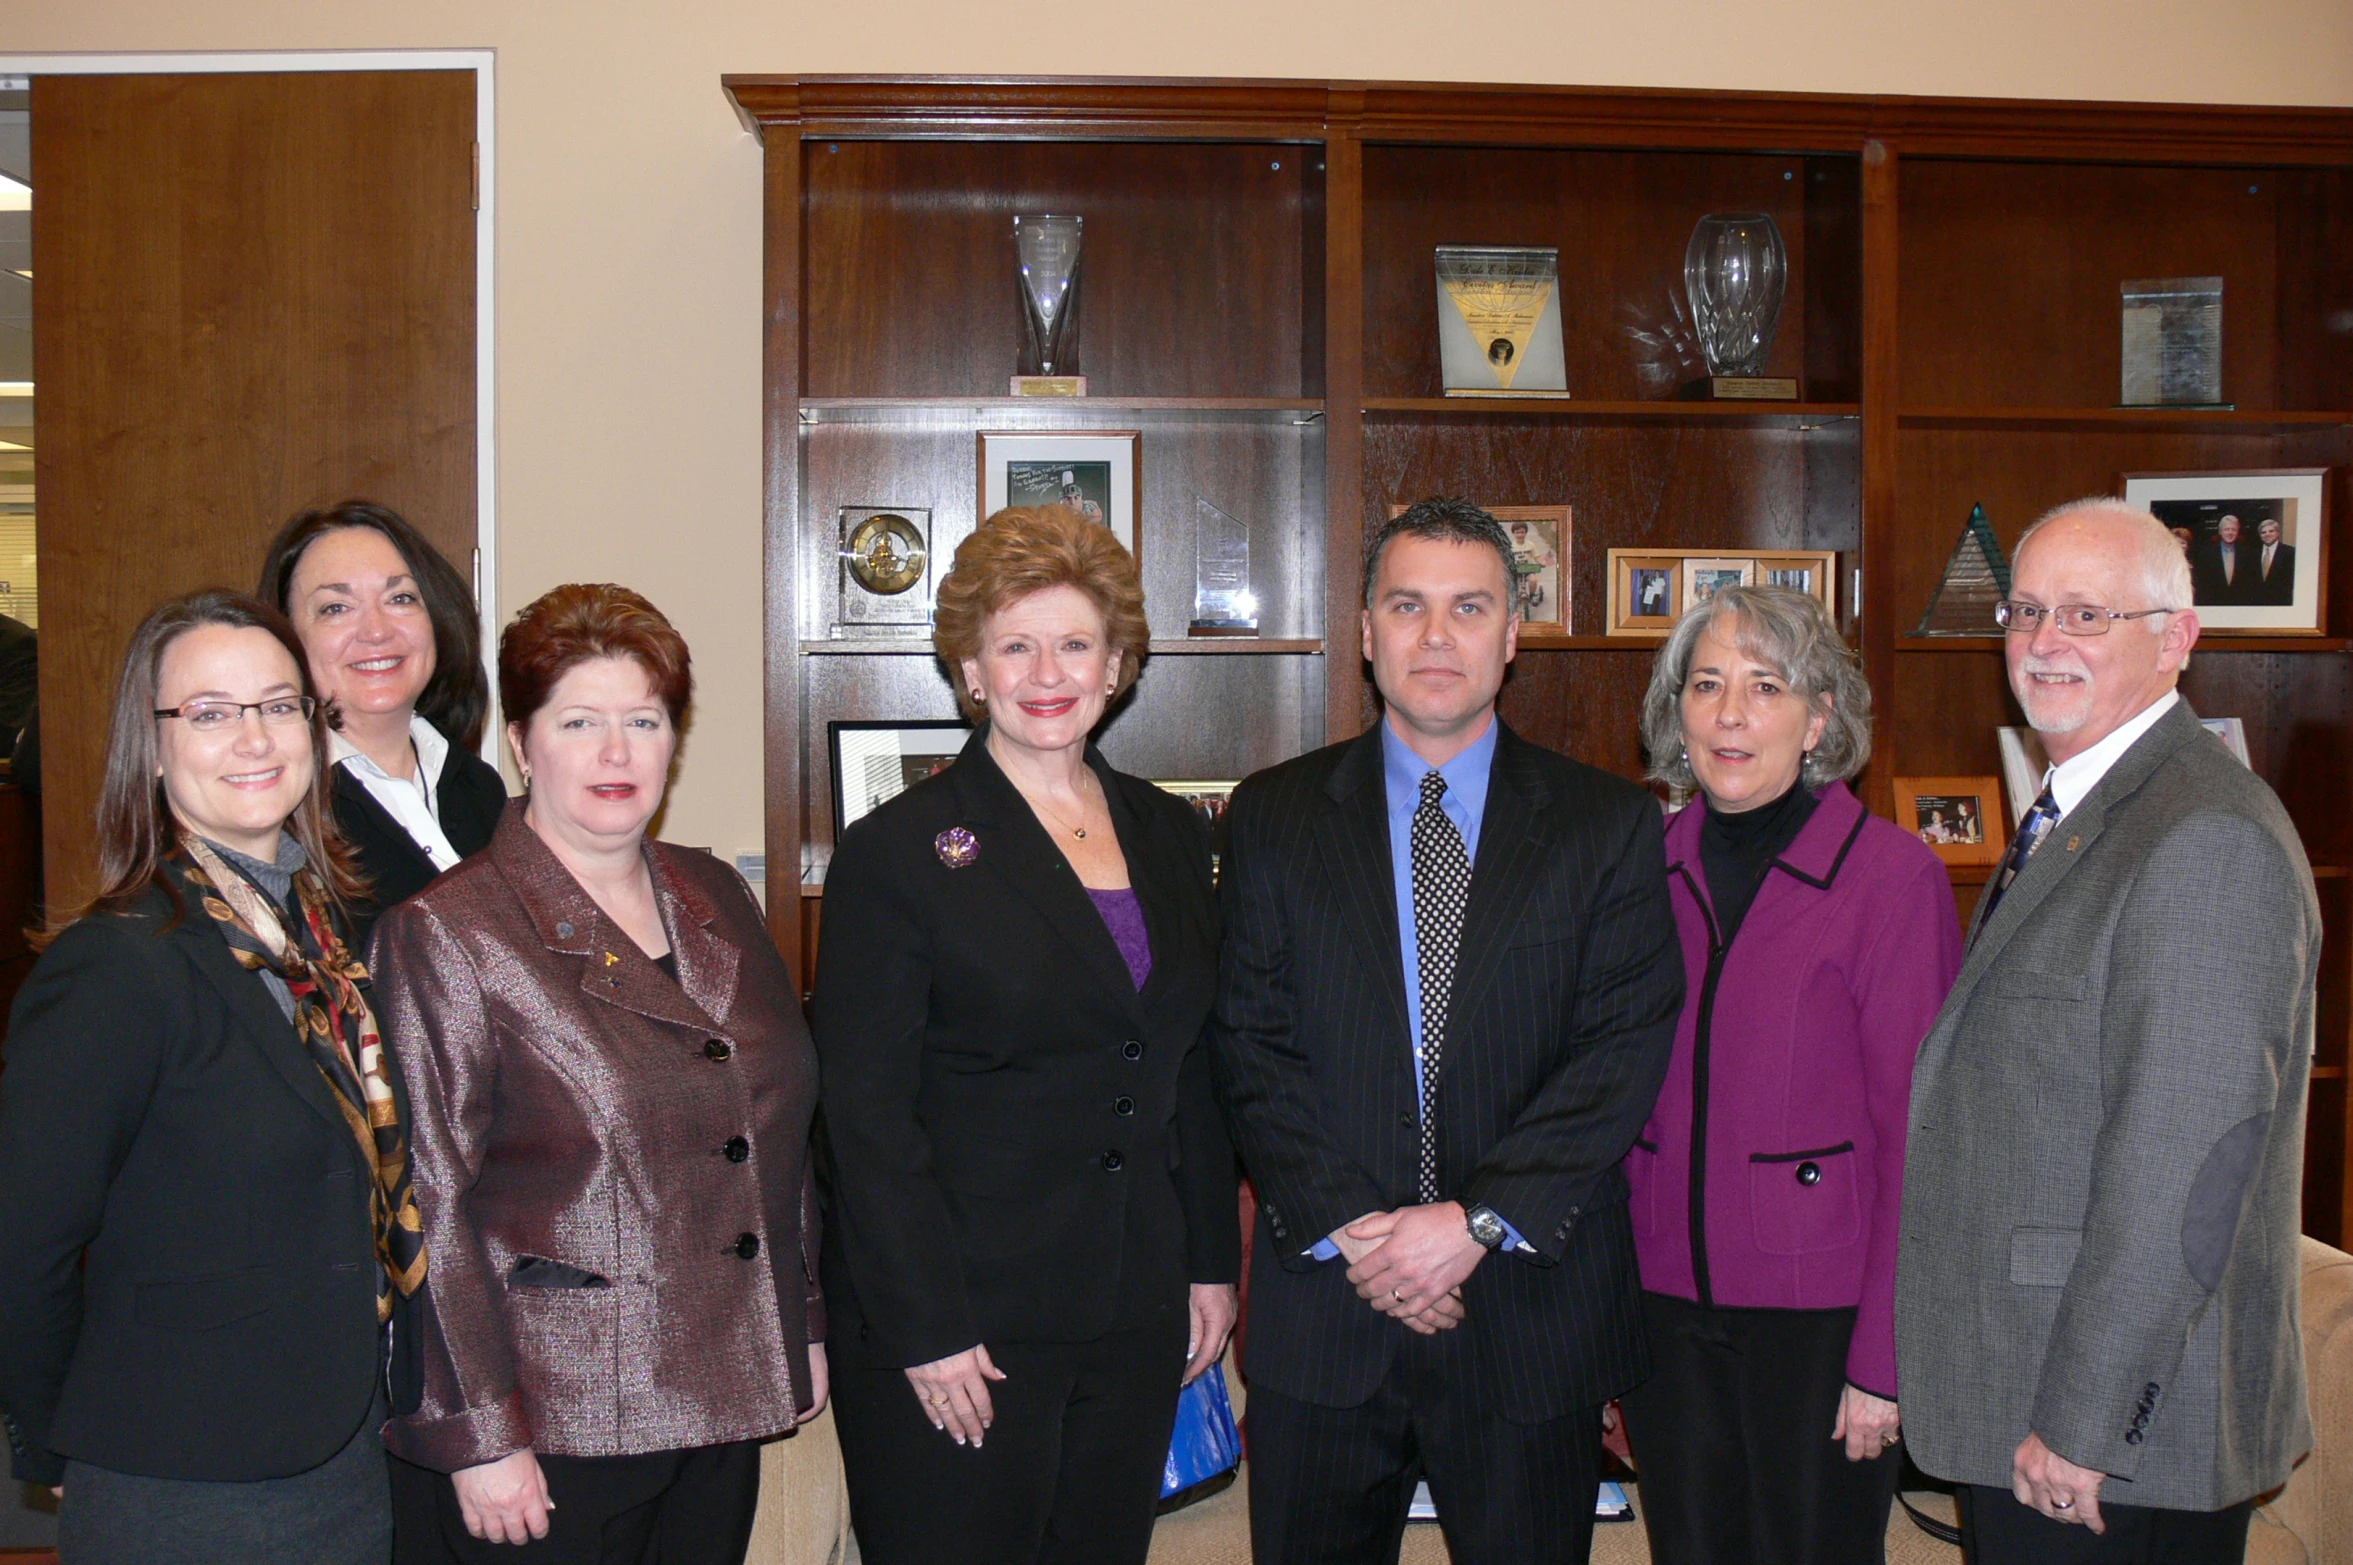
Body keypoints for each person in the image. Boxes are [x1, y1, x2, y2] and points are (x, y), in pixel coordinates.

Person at [1211, 498, 1684, 1565]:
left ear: (1512, 634)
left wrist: (1468, 1223)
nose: (1436, 635)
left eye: (1468, 606)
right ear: (1367, 629)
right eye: (1407, 605)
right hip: (1329, 1303)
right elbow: (1248, 1042)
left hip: (1528, 1313)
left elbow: (1617, 1051)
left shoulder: (1606, 824)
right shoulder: (1274, 816)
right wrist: (1362, 1231)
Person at [814, 505, 1240, 1565]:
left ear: (1118, 665)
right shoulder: (901, 850)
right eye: (1015, 644)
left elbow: (1190, 1066)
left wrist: (1206, 1262)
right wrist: (926, 1326)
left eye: (1075, 643)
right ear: (969, 665)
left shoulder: (1171, 831)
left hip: (1135, 1313)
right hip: (964, 1325)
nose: (1045, 671)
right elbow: (864, 1117)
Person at [1898, 499, 2316, 1561]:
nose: (2043, 642)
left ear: (2175, 638)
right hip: (2034, 1399)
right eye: (2026, 608)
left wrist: (2084, 1420)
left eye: (2086, 613)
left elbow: (2186, 1163)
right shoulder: (2085, 807)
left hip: (2110, 1444)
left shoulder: (2202, 835)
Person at [370, 583, 823, 1563]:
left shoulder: (714, 890)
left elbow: (771, 1126)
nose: (617, 753)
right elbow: (425, 1203)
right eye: (581, 721)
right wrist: (478, 1432)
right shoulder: (450, 931)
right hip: (555, 1422)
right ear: (524, 744)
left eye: (643, 720)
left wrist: (804, 1319)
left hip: (722, 1388)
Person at [0, 589, 420, 1562]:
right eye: (210, 711)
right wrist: (67, 1429)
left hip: (344, 1447)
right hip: (181, 1473)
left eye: (278, 703)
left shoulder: (328, 946)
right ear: (149, 746)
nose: (253, 736)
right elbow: (21, 1246)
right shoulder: (117, 964)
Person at [1617, 584, 1962, 1565]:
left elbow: (1920, 1136)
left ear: (1818, 718)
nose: (1729, 713)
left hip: (1819, 1325)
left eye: (1765, 686)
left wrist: (1883, 1363)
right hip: (1662, 1307)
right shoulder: (1641, 862)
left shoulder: (1891, 878)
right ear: (1675, 711)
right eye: (1706, 683)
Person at [259, 500, 507, 951]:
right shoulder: (279, 811)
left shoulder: (480, 790)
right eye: (335, 608)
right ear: (285, 637)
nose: (376, 630)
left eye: (400, 598)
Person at [2188, 512, 2249, 605]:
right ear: (2220, 532)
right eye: (2226, 529)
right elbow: (2202, 586)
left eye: (2233, 529)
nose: (2230, 533)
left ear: (2238, 532)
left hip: (2241, 606)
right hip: (2214, 606)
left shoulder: (2248, 555)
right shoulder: (2205, 554)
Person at [2252, 516, 2295, 605]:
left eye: (2271, 531)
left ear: (2278, 533)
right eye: (2263, 532)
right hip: (2257, 604)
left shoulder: (2290, 552)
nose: (2267, 534)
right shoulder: (2253, 553)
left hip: (2281, 603)